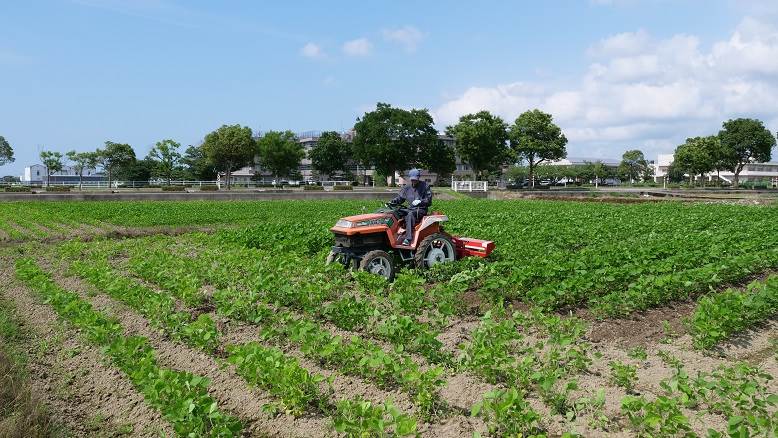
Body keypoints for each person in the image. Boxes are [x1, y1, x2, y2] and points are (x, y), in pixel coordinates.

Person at [390, 169, 432, 245]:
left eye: (415, 179)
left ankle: (408, 238)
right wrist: (393, 201)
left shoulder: (425, 186)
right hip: (410, 209)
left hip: (420, 210)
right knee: (394, 212)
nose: (414, 181)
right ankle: (393, 235)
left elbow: (429, 201)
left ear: (418, 177)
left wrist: (421, 201)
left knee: (410, 215)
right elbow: (400, 199)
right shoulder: (406, 188)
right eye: (412, 179)